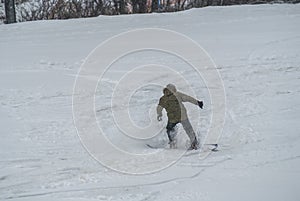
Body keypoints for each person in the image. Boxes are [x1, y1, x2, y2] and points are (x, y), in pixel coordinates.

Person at [156, 84, 203, 150]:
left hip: (172, 118)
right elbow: (188, 98)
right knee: (189, 130)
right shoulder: (177, 94)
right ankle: (194, 143)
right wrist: (198, 102)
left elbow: (159, 108)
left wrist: (159, 114)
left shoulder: (163, 99)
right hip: (182, 116)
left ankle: (173, 143)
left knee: (169, 130)